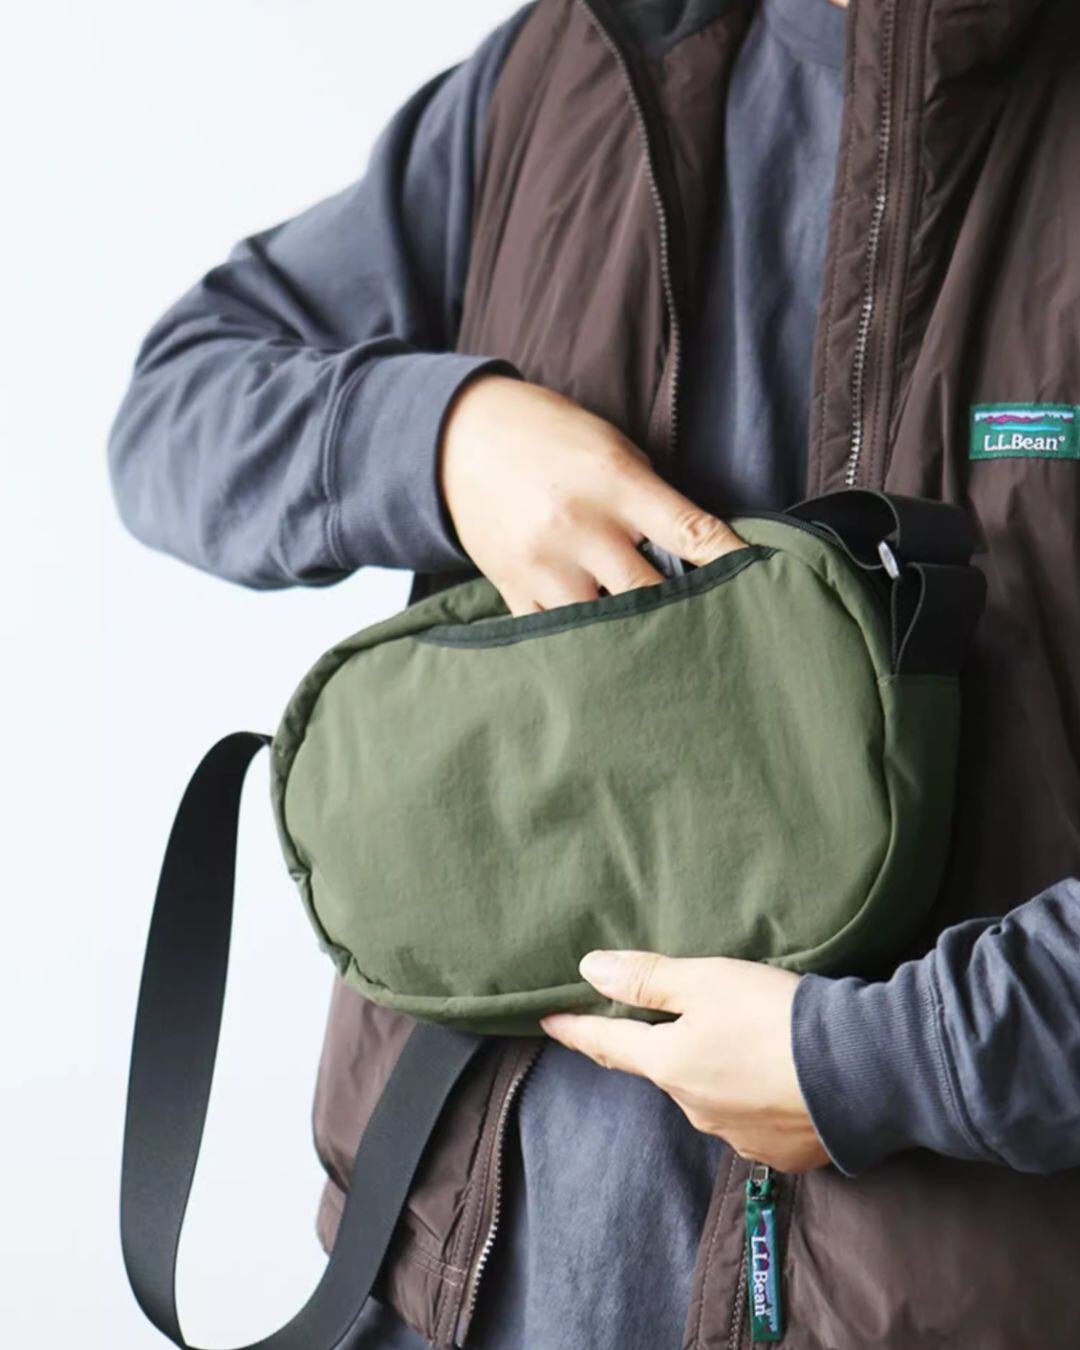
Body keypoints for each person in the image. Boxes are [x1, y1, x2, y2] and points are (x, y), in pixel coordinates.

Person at [108, 0, 1080, 1345]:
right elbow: (174, 406)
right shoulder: (575, 65)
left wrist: (880, 1063)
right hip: (445, 1289)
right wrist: (444, 439)